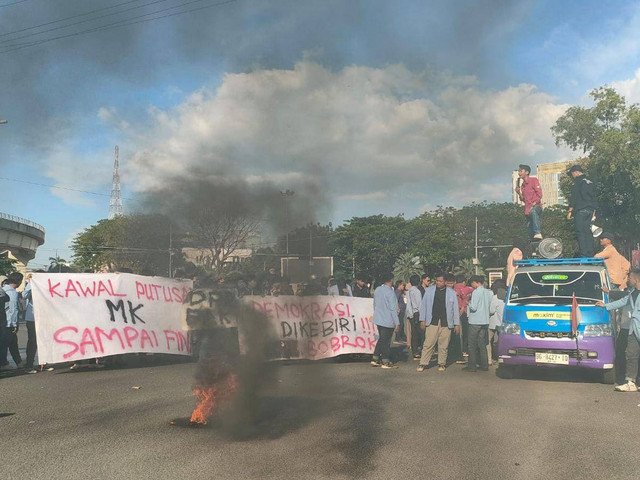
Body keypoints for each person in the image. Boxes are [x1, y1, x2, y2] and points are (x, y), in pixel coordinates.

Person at [596, 268, 640, 392]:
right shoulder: (632, 293)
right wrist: (606, 306)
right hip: (633, 328)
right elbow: (622, 301)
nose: (628, 280)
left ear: (636, 279)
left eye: (629, 278)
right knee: (631, 355)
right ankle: (630, 382)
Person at [417, 273, 460, 372]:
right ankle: (423, 363)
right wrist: (422, 320)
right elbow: (423, 306)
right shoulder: (429, 291)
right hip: (432, 321)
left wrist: (457, 324)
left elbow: (455, 309)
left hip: (446, 322)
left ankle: (441, 363)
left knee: (443, 345)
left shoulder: (451, 293)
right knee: (428, 343)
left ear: (445, 282)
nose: (438, 283)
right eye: (437, 281)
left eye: (440, 281)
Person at [567, 165, 598, 258]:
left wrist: (570, 211)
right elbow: (594, 198)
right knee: (588, 232)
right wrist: (594, 212)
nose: (572, 176)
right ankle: (590, 254)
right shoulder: (590, 182)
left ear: (576, 172)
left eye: (572, 174)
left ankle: (583, 255)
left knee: (580, 232)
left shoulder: (577, 182)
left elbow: (574, 197)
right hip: (590, 210)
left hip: (580, 210)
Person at [371, 273, 400, 369]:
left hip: (378, 318)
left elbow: (374, 304)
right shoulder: (390, 292)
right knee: (386, 341)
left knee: (382, 339)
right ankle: (385, 361)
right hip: (388, 319)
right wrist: (397, 323)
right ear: (391, 280)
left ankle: (375, 358)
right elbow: (393, 309)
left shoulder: (378, 290)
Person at [465, 275, 491, 372]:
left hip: (475, 321)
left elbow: (474, 307)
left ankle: (472, 366)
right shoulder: (487, 292)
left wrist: (468, 302)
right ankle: (484, 365)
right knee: (482, 344)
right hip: (484, 321)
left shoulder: (476, 292)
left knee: (472, 344)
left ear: (475, 282)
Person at [515, 164, 543, 240]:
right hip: (527, 210)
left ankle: (538, 233)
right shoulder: (522, 186)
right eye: (518, 171)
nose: (519, 173)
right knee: (530, 229)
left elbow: (540, 194)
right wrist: (519, 193)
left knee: (533, 212)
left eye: (521, 171)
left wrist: (534, 204)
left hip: (536, 207)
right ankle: (533, 243)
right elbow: (523, 199)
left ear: (527, 172)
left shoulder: (533, 180)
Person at [2, 272, 24, 369]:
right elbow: (13, 310)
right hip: (8, 323)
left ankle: (18, 362)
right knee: (7, 344)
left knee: (12, 343)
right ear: (19, 281)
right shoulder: (12, 293)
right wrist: (14, 324)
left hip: (3, 321)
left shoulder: (3, 290)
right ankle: (4, 363)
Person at [454, 274, 473, 363]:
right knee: (464, 332)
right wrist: (463, 306)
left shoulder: (453, 289)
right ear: (463, 282)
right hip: (464, 312)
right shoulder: (466, 289)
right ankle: (464, 350)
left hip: (455, 312)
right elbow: (471, 290)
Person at [22, 273, 38, 374]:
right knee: (32, 341)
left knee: (43, 341)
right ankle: (29, 364)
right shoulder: (31, 286)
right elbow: (24, 295)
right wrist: (31, 283)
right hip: (32, 318)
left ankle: (42, 363)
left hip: (44, 318)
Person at [405, 274, 423, 359]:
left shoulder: (409, 291)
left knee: (414, 333)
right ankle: (418, 350)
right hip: (416, 313)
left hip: (410, 313)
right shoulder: (417, 291)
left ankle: (414, 351)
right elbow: (419, 304)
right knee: (419, 333)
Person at [487, 282, 505, 366]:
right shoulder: (507, 297)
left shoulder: (495, 297)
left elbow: (491, 310)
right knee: (501, 341)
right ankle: (500, 358)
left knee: (488, 340)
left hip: (493, 323)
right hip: (503, 323)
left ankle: (489, 359)